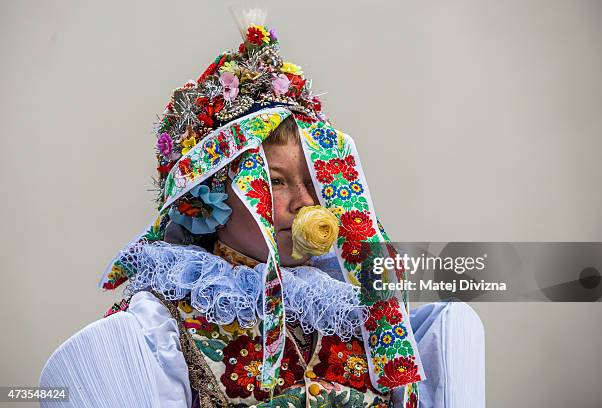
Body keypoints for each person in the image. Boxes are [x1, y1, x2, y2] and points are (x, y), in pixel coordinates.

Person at [40, 10, 485, 408]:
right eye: (274, 182)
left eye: (315, 183)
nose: (305, 204)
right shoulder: (156, 333)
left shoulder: (371, 322)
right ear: (209, 200)